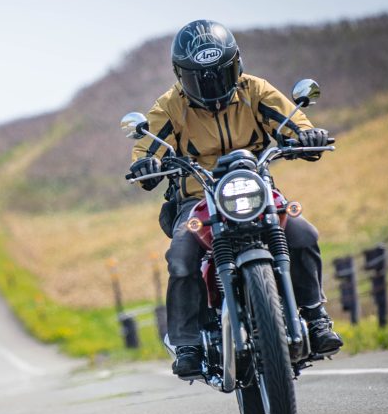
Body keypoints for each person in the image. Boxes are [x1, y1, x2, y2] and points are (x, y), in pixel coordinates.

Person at [128, 19, 342, 378]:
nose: (211, 83)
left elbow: (293, 120)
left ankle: (316, 318)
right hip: (198, 199)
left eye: (220, 73)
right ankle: (187, 344)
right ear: (182, 75)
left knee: (304, 235)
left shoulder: (255, 89)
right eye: (200, 77)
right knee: (181, 256)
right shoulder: (169, 106)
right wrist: (145, 164)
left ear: (235, 65)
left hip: (256, 187)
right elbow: (146, 145)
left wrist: (307, 135)